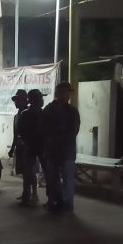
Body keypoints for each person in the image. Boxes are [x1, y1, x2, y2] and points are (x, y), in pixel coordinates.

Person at [43, 82, 81, 212]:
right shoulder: (49, 110)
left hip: (66, 151)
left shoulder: (72, 111)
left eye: (68, 93)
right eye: (66, 92)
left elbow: (73, 131)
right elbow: (43, 129)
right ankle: (58, 202)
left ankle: (67, 204)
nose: (68, 95)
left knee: (67, 179)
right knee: (53, 179)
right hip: (54, 151)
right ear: (58, 94)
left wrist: (56, 139)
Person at [17, 89, 48, 205]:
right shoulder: (28, 114)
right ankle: (27, 196)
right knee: (28, 173)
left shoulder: (43, 114)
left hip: (38, 147)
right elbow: (20, 131)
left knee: (36, 172)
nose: (42, 101)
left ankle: (48, 198)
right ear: (33, 100)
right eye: (40, 98)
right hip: (33, 147)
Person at [7, 89, 35, 201]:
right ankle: (26, 193)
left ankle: (32, 193)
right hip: (20, 146)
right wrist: (12, 148)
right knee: (24, 171)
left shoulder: (29, 114)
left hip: (29, 146)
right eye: (15, 100)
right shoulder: (16, 116)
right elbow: (16, 134)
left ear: (24, 101)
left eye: (18, 100)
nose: (16, 102)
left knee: (30, 171)